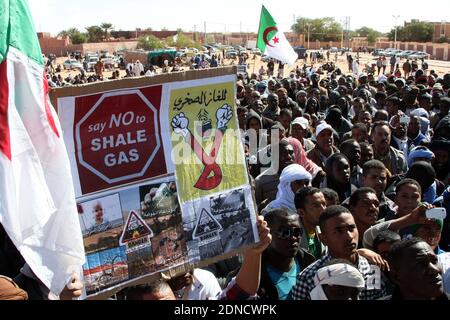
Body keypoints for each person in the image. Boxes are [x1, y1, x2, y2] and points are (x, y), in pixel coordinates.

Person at [291, 205, 387, 300]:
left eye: (351, 228)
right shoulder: (308, 278)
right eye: (339, 231)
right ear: (323, 239)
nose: (349, 236)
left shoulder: (373, 269)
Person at [256, 208, 316, 300]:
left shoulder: (310, 263)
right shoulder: (251, 276)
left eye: (297, 232)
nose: (293, 238)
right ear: (267, 235)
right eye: (284, 232)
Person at [294, 187, 327, 259]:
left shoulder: (325, 229)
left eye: (324, 204)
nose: (323, 209)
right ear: (301, 212)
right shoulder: (292, 237)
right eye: (316, 206)